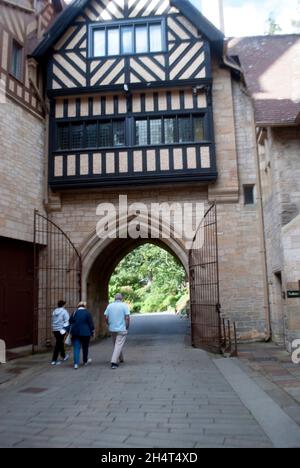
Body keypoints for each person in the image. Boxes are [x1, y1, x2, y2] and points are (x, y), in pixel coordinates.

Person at [105, 293, 130, 370]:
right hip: (121, 328)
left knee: (117, 344)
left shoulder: (109, 306)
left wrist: (108, 324)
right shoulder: (124, 306)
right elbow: (127, 318)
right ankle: (113, 362)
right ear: (121, 298)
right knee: (118, 345)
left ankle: (121, 358)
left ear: (114, 298)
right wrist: (127, 326)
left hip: (112, 329)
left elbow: (106, 317)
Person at [70, 301, 95, 370]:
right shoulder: (87, 313)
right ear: (85, 306)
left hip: (76, 332)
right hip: (86, 333)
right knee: (85, 347)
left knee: (76, 348)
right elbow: (91, 323)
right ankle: (85, 361)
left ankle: (76, 364)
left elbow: (70, 321)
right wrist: (92, 331)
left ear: (78, 306)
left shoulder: (74, 312)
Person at [51, 300, 70, 366]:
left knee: (60, 342)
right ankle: (54, 360)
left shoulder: (54, 311)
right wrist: (66, 329)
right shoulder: (64, 311)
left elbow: (53, 319)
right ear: (63, 305)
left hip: (55, 329)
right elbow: (67, 320)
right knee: (58, 344)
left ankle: (63, 356)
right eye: (65, 304)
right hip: (61, 329)